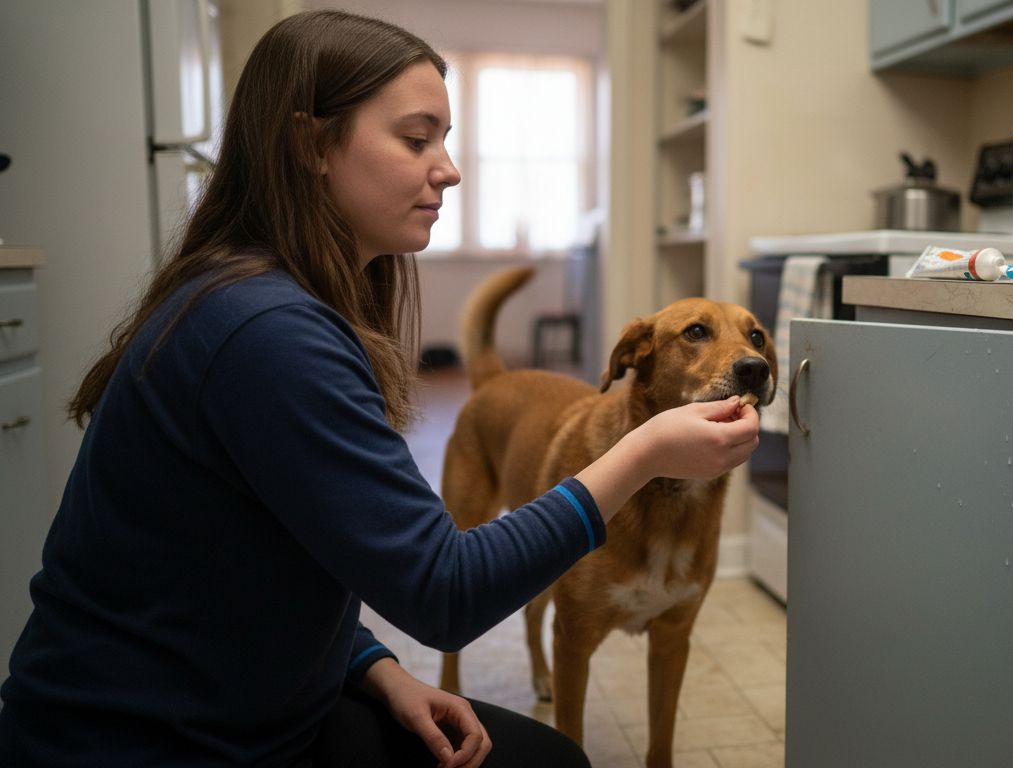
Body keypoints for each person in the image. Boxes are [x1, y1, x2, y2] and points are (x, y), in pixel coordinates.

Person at [0, 10, 759, 768]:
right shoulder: (267, 334)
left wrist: (368, 663)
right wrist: (645, 452)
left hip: (240, 706)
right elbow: (445, 591)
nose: (450, 168)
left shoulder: (262, 301)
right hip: (137, 743)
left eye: (447, 139)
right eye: (416, 137)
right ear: (310, 143)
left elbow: (279, 549)